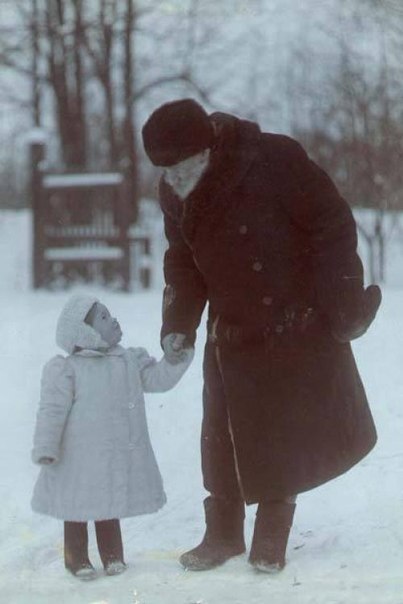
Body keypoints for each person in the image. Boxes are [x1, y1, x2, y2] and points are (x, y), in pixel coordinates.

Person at [141, 98, 382, 573]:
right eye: (163, 171)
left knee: (280, 433)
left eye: (178, 167)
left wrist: (343, 299)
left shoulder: (274, 159)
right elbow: (182, 262)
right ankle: (223, 534)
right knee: (221, 432)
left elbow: (332, 224)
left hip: (290, 321)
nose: (170, 180)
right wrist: (178, 325)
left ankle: (272, 534)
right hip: (229, 328)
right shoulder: (175, 192)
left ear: (207, 149)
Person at [31, 294, 193, 580]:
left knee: (109, 505)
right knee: (76, 507)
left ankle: (113, 556)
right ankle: (76, 558)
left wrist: (174, 360)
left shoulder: (127, 361)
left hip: (110, 456)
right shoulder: (67, 369)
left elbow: (157, 379)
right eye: (104, 317)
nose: (113, 319)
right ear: (86, 332)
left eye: (110, 314)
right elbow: (52, 410)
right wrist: (46, 446)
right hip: (76, 460)